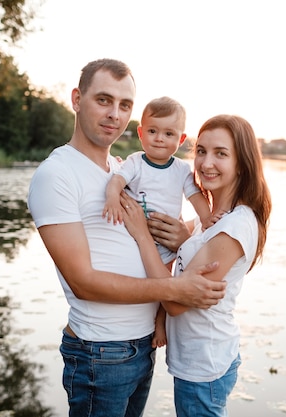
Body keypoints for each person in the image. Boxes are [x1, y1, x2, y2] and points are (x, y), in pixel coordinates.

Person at [26, 58, 226, 417]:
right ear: (76, 98)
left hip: (142, 345)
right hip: (100, 352)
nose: (114, 114)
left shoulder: (123, 169)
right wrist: (174, 290)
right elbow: (83, 282)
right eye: (103, 100)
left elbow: (159, 225)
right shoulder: (56, 175)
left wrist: (185, 234)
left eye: (125, 105)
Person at [120, 114, 272, 417]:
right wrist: (181, 239)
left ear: (242, 163)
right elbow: (192, 255)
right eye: (201, 151)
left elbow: (176, 303)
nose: (206, 163)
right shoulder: (212, 219)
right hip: (200, 357)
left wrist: (141, 234)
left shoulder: (235, 225)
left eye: (221, 153)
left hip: (205, 364)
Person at [102, 96, 213, 348]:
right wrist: (111, 197)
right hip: (136, 239)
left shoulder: (181, 170)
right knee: (150, 280)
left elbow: (195, 195)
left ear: (181, 139)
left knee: (168, 281)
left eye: (168, 133)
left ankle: (159, 323)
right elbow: (118, 181)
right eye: (152, 131)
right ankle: (141, 318)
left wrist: (207, 219)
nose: (159, 138)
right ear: (141, 133)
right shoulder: (135, 162)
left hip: (166, 241)